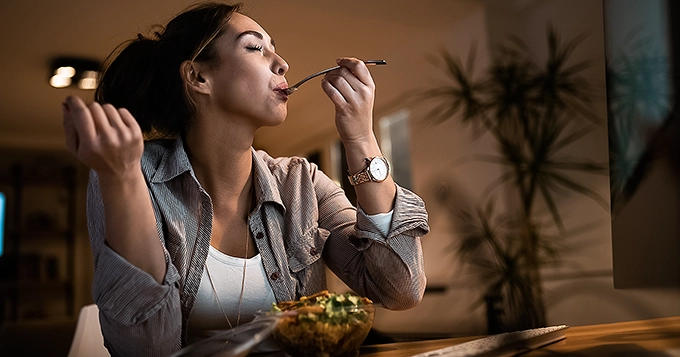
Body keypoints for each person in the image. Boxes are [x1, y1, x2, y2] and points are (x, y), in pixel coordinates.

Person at [62, 2, 429, 356]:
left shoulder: (302, 183)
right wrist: (122, 178)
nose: (283, 63)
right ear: (198, 76)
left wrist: (361, 138)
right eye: (255, 47)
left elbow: (399, 288)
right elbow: (148, 349)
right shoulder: (130, 172)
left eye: (275, 50)